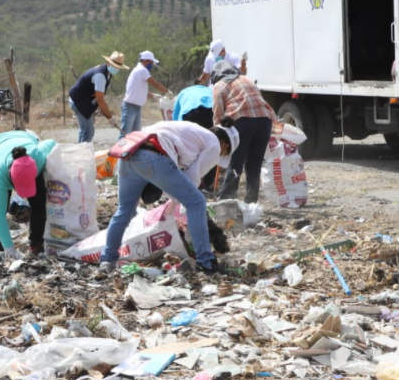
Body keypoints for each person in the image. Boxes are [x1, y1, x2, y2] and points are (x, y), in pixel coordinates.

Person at [99, 119, 239, 274]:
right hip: (153, 156)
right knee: (197, 202)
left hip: (128, 153)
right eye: (224, 154)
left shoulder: (191, 130)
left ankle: (108, 259)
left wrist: (175, 198)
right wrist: (183, 203)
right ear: (225, 146)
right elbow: (192, 178)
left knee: (125, 209)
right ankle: (205, 262)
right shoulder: (214, 145)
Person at [212, 61, 278, 204]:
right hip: (265, 121)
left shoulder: (220, 85)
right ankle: (251, 202)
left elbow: (218, 115)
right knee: (254, 164)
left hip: (242, 122)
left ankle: (226, 200)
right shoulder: (247, 80)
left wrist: (217, 137)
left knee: (235, 163)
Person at [0, 130, 57, 257]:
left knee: (39, 202)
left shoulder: (37, 158)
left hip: (23, 139)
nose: (24, 196)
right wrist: (9, 247)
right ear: (11, 179)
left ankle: (36, 244)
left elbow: (51, 143)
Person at [68, 51, 129, 142]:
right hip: (79, 101)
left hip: (85, 101)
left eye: (118, 67)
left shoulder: (107, 73)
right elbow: (100, 100)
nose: (116, 69)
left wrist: (105, 113)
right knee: (88, 132)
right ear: (108, 63)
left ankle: (80, 152)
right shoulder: (100, 75)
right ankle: (83, 154)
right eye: (114, 66)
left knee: (85, 130)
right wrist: (110, 118)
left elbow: (98, 98)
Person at [122, 51, 170, 136]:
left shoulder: (140, 70)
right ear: (145, 61)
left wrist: (152, 95)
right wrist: (167, 91)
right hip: (130, 107)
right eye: (151, 62)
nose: (151, 65)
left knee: (135, 135)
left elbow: (138, 90)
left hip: (136, 107)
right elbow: (154, 83)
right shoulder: (142, 70)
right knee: (125, 134)